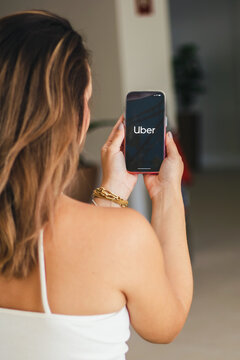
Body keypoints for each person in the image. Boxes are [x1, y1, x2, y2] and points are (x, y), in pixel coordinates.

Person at [0, 10, 193, 360]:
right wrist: (168, 197)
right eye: (86, 100)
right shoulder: (124, 237)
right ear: (68, 116)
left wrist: (112, 193)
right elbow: (168, 321)